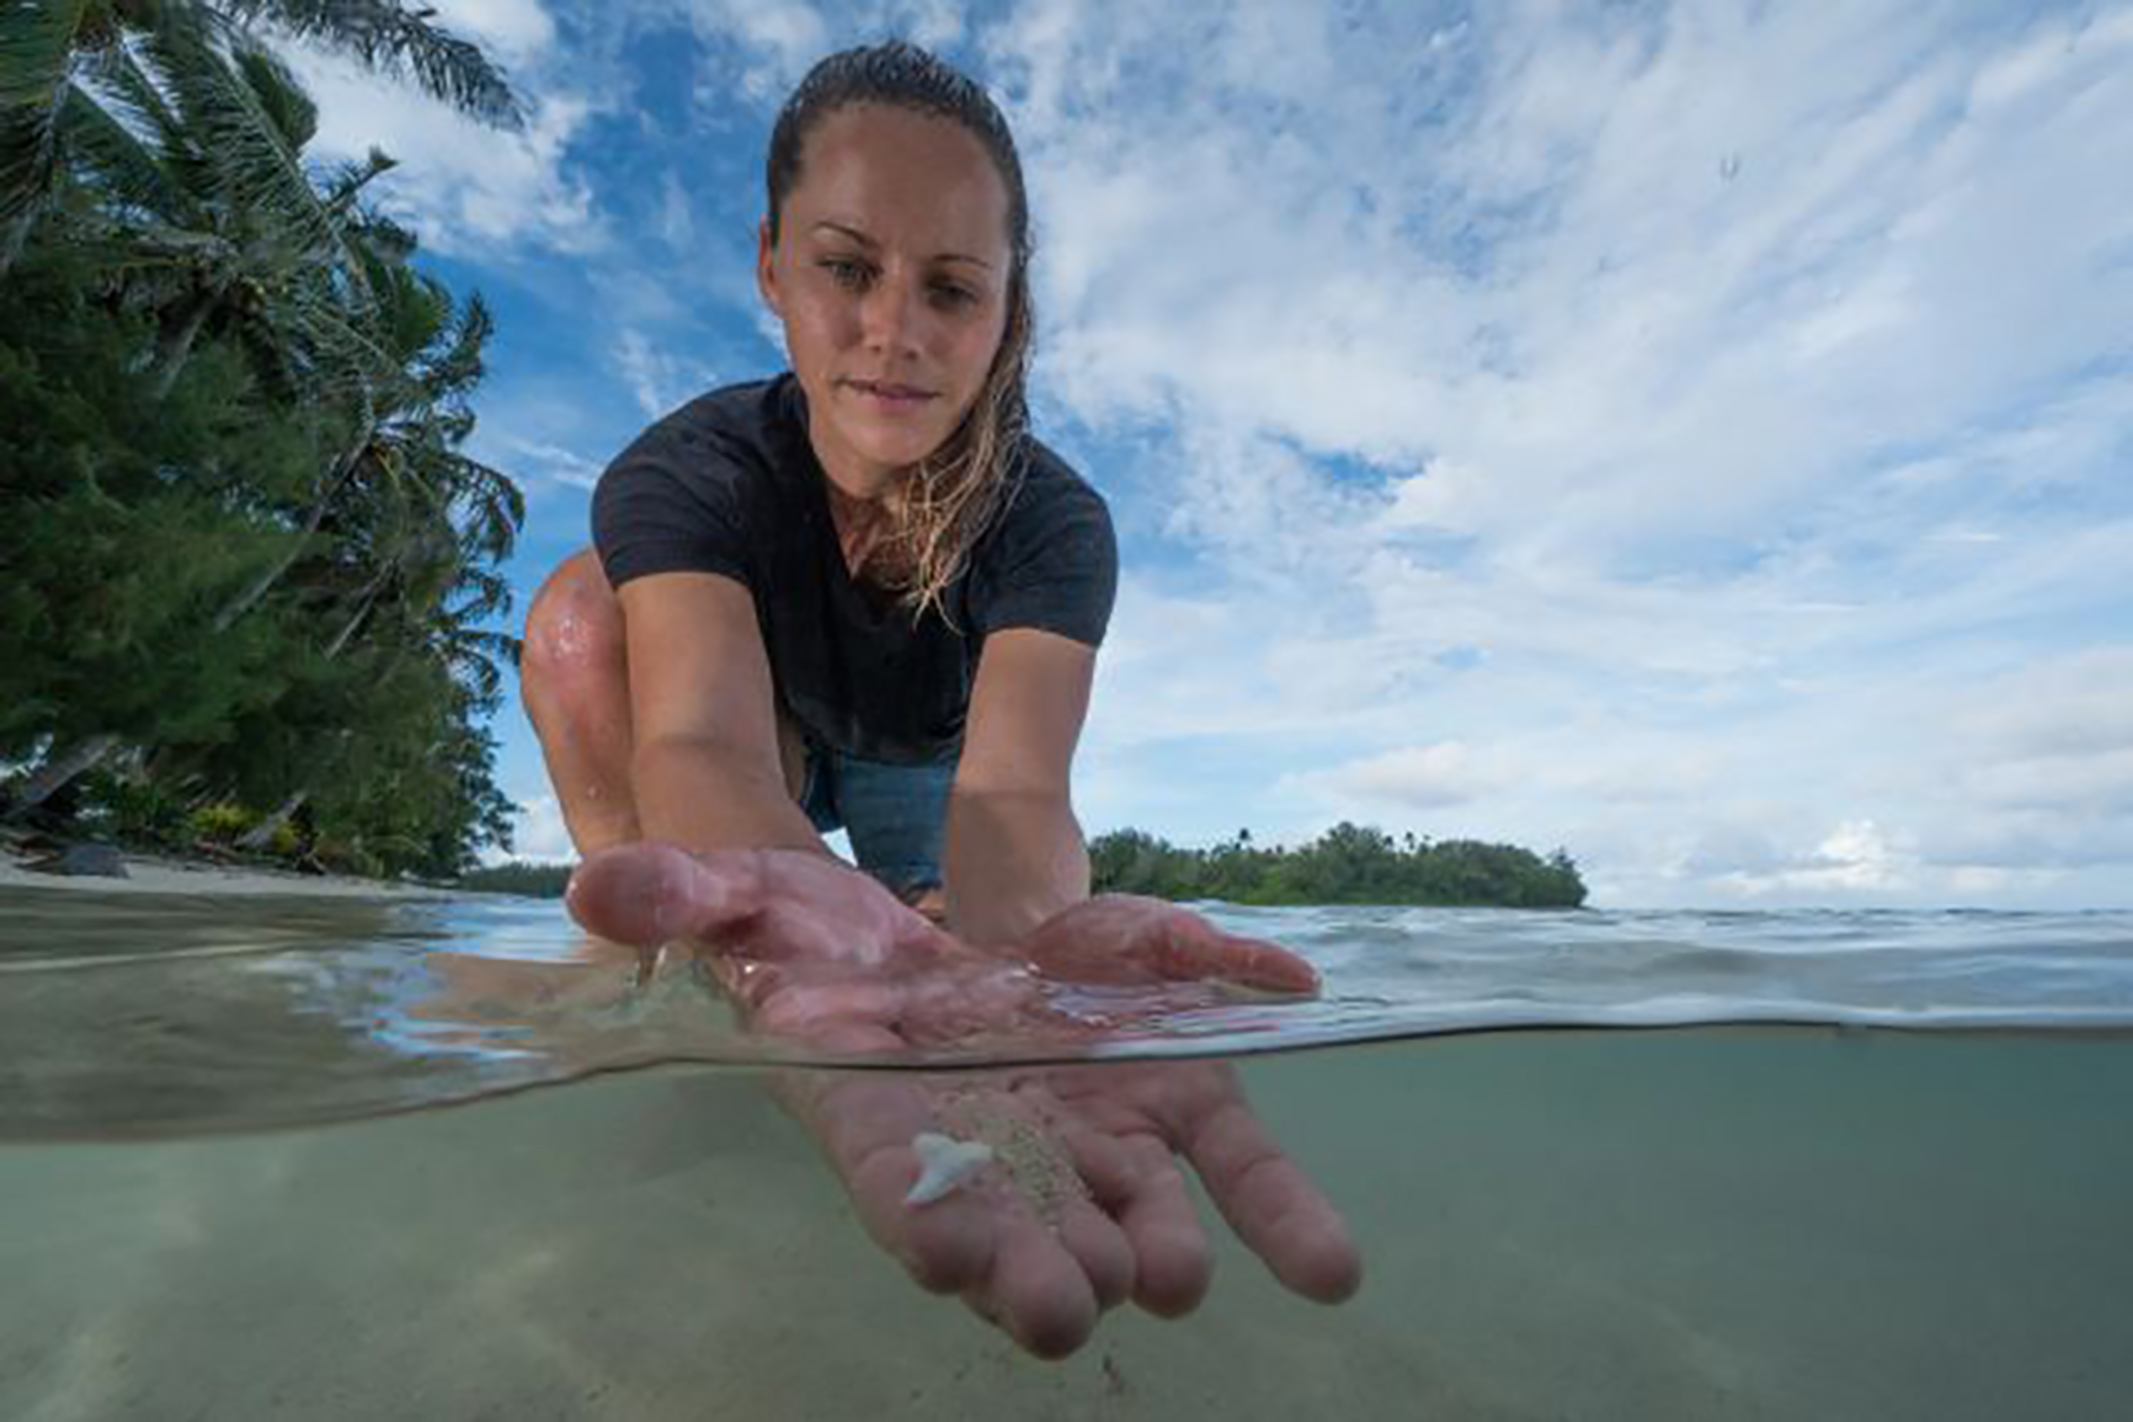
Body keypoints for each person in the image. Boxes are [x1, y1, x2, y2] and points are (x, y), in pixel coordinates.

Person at [521, 40, 1360, 1359]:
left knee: (948, 934)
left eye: (951, 289)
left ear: (1007, 311)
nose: (893, 331)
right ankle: (660, 953)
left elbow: (1017, 789)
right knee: (578, 615)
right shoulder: (689, 471)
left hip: (933, 760)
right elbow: (699, 736)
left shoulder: (1053, 519)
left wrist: (1019, 973)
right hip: (766, 740)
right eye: (846, 266)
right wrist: (797, 944)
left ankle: (881, 956)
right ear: (772, 268)